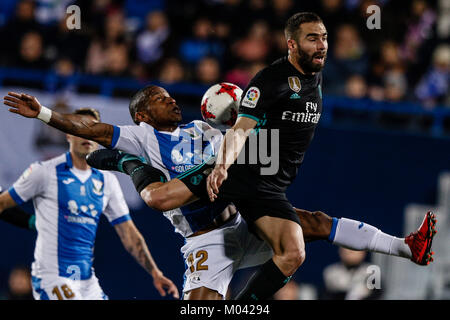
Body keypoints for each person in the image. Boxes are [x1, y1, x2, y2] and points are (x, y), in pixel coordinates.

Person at [2, 13, 436, 300]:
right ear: (141, 114)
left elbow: (243, 131)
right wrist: (42, 112)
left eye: (171, 95)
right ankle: (130, 169)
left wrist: (239, 114)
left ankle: (403, 247)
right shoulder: (141, 137)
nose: (171, 100)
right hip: (205, 235)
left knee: (313, 226)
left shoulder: (202, 128)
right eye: (159, 97)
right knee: (162, 209)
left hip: (241, 217)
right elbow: (91, 129)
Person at [0, 108, 178, 300]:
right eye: (80, 127)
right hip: (52, 278)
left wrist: (155, 272)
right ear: (68, 133)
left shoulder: (107, 181)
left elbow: (129, 234)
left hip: (86, 281)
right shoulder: (44, 171)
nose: (86, 134)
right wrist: (31, 221)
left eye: (92, 129)